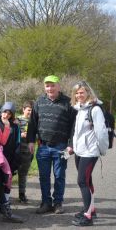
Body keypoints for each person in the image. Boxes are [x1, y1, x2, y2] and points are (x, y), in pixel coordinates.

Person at [27, 75, 77, 214]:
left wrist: (71, 144)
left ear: (58, 86)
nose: (50, 88)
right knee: (43, 176)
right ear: (44, 87)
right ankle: (46, 203)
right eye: (47, 85)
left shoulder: (68, 103)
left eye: (52, 85)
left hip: (61, 147)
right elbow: (32, 124)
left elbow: (74, 126)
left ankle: (58, 203)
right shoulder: (39, 102)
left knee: (59, 175)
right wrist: (31, 141)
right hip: (43, 146)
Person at [71, 81, 108, 226]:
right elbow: (77, 132)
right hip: (79, 151)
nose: (79, 95)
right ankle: (90, 209)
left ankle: (87, 217)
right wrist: (73, 147)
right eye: (77, 93)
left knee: (82, 181)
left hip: (90, 152)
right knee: (87, 181)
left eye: (82, 92)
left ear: (88, 93)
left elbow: (101, 132)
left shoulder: (95, 109)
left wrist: (102, 150)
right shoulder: (79, 109)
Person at [16, 101, 34, 203]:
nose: (30, 112)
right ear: (23, 110)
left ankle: (21, 194)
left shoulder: (35, 121)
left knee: (23, 175)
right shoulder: (17, 120)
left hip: (28, 152)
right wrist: (20, 133)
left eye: (32, 110)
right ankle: (5, 195)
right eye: (28, 110)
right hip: (16, 151)